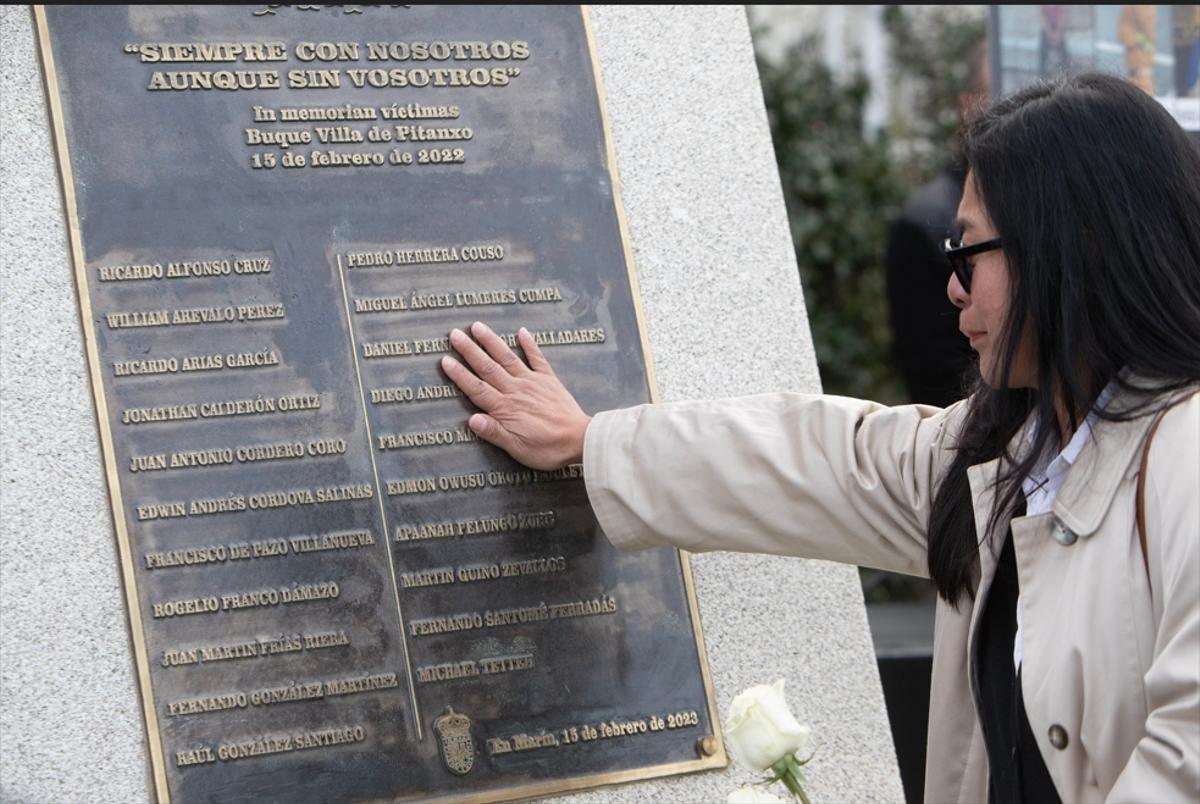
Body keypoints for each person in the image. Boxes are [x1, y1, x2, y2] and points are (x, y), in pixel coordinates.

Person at [439, 73, 1200, 803]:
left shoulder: (1182, 462)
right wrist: (589, 440)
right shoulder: (1011, 455)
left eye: (968, 252)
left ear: (1070, 246)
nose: (952, 287)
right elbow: (817, 459)